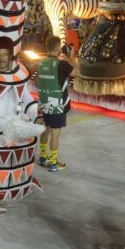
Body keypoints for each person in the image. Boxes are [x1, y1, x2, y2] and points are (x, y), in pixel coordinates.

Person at [37, 37, 73, 172]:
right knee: (55, 133)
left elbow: (36, 81)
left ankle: (42, 157)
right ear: (58, 48)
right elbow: (78, 73)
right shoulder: (61, 64)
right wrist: (73, 57)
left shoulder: (40, 62)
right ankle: (53, 163)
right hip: (57, 104)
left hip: (44, 102)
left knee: (45, 130)